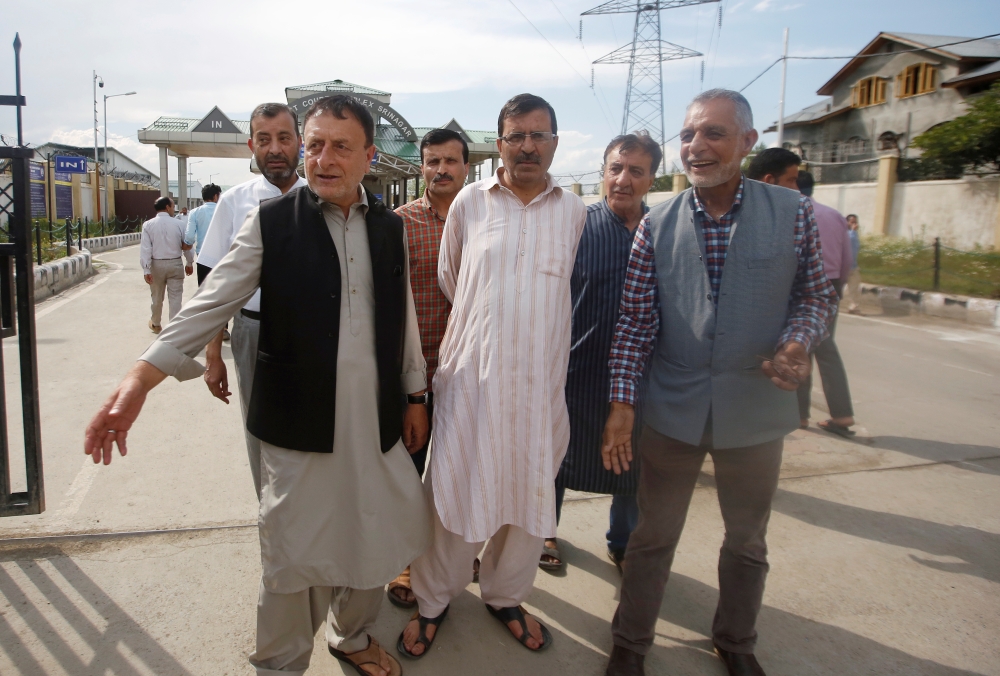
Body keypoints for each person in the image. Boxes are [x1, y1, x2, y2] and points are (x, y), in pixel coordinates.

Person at [83, 94, 432, 676]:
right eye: (314, 144)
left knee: (378, 537)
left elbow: (404, 324)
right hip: (298, 423)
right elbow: (211, 301)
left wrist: (415, 394)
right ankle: (279, 664)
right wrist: (139, 380)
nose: (322, 159)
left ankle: (351, 636)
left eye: (339, 147)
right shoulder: (272, 223)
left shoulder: (387, 229)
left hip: (374, 419)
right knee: (293, 559)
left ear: (369, 155)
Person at [601, 90, 837, 676]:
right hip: (672, 406)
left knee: (747, 541)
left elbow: (814, 297)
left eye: (713, 133)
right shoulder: (657, 224)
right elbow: (634, 322)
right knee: (653, 535)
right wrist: (623, 403)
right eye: (688, 135)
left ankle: (735, 641)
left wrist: (796, 342)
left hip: (756, 408)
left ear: (747, 143)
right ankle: (631, 642)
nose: (696, 147)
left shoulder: (793, 214)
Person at [401, 93, 587, 659]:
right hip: (473, 381)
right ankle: (433, 600)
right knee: (455, 493)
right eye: (516, 135)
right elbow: (453, 278)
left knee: (527, 498)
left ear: (555, 141)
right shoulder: (470, 205)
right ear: (499, 143)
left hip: (538, 387)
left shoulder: (575, 211)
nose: (528, 145)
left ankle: (506, 595)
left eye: (539, 134)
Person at [542, 132, 661, 574]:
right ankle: (545, 531)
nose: (623, 179)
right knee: (557, 456)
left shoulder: (662, 231)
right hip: (576, 368)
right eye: (615, 168)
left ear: (652, 178)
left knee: (631, 464)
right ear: (603, 173)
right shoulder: (576, 227)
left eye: (636, 170)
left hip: (638, 377)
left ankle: (623, 540)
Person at [196, 103, 308, 499]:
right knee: (259, 425)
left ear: (300, 144)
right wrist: (213, 354)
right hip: (253, 331)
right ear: (251, 146)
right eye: (264, 140)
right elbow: (211, 281)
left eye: (283, 138)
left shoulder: (321, 198)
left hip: (315, 333)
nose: (275, 148)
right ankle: (270, 514)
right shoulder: (235, 201)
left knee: (314, 425)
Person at [386, 127, 469, 609]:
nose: (441, 170)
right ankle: (403, 560)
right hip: (415, 374)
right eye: (433, 161)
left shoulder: (483, 217)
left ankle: (450, 556)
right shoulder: (398, 223)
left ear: (465, 166)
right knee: (407, 470)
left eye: (451, 161)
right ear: (421, 167)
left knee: (456, 472)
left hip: (468, 373)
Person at [793, 170, 856, 437]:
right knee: (824, 348)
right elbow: (847, 260)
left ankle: (801, 414)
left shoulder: (793, 213)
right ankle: (838, 413)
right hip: (832, 284)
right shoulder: (834, 215)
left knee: (798, 346)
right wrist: (837, 288)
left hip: (802, 285)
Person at [139, 196, 193, 334]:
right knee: (175, 297)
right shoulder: (179, 224)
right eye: (173, 205)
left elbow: (146, 249)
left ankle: (156, 323)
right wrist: (189, 262)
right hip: (175, 263)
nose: (174, 208)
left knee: (157, 296)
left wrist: (146, 269)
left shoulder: (148, 225)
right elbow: (187, 246)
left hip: (156, 265)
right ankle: (173, 329)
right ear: (168, 207)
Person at [184, 183, 222, 284]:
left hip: (203, 255)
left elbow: (189, 237)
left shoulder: (194, 212)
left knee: (204, 290)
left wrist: (188, 243)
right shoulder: (224, 210)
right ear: (215, 196)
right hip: (222, 256)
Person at [845, 214, 862, 314]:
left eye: (855, 222)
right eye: (852, 222)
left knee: (854, 287)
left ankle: (853, 307)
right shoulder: (846, 233)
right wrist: (853, 231)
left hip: (853, 266)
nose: (854, 224)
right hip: (843, 266)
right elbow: (849, 242)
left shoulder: (854, 233)